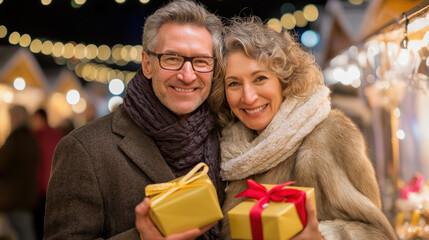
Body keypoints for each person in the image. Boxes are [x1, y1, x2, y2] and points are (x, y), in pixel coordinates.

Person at [44, 0, 223, 239]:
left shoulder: (227, 136)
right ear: (148, 64)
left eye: (201, 61)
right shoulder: (83, 149)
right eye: (171, 58)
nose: (187, 75)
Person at [209, 17, 398, 239]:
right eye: (234, 83)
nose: (248, 97)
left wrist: (324, 236)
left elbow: (378, 233)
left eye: (260, 78)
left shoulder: (327, 136)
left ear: (284, 80)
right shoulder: (228, 149)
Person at [0, 104, 39, 240]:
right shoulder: (29, 138)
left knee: (24, 233)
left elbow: (3, 163)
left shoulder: (17, 139)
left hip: (15, 197)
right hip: (24, 195)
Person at [30, 108, 64, 240]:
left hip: (41, 187)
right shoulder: (58, 134)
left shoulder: (36, 136)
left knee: (39, 226)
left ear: (40, 119)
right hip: (56, 185)